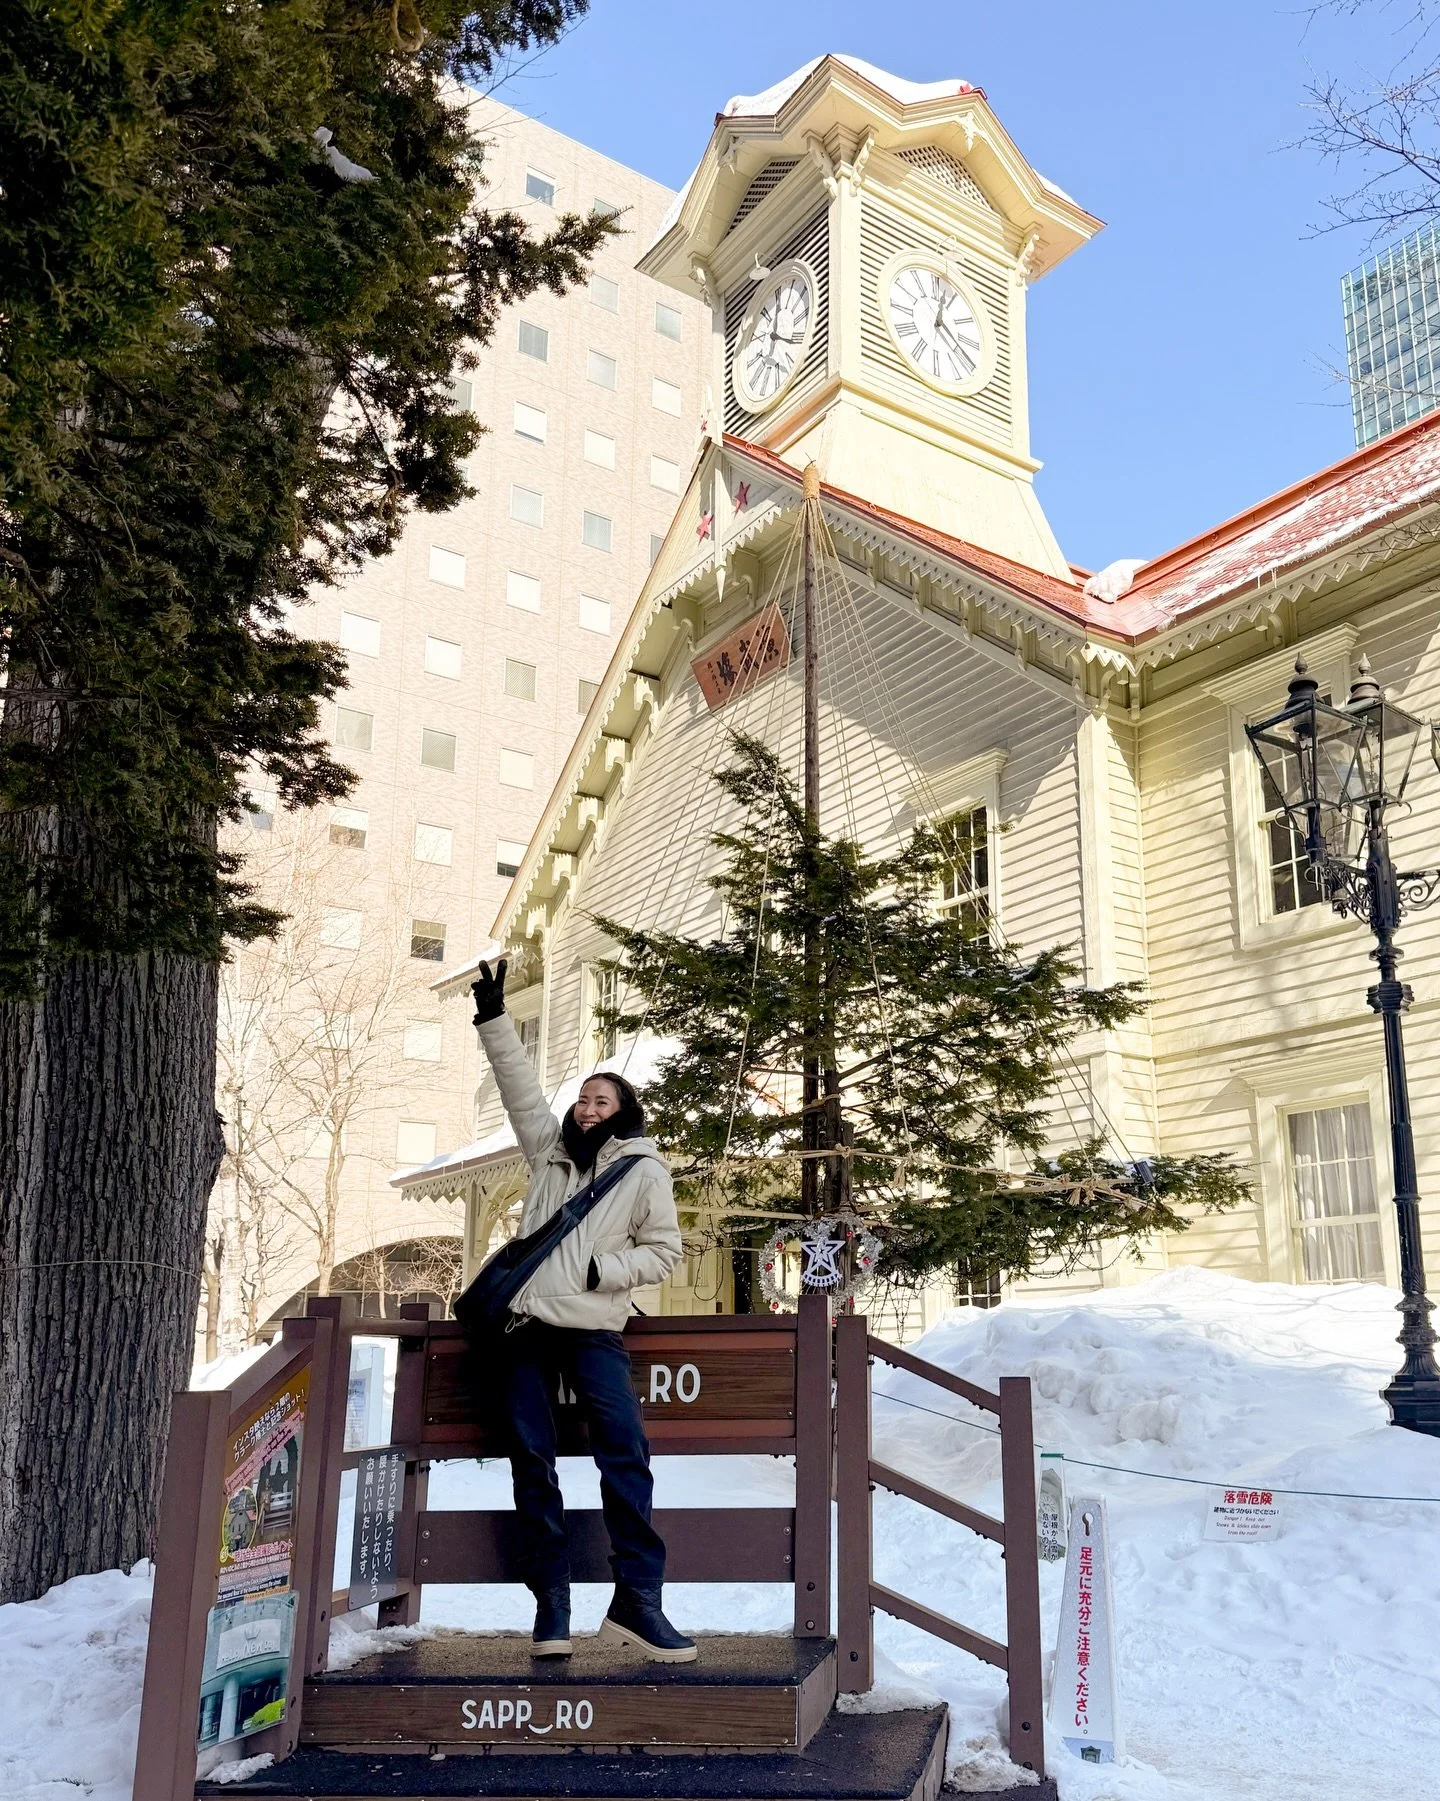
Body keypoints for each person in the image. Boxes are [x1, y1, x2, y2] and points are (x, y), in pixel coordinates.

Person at [468, 958, 696, 1664]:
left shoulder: (644, 1170)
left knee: (625, 1451)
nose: (586, 1108)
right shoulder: (549, 1154)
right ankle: (553, 1600)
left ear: (624, 1112)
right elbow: (518, 1085)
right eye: (583, 1099)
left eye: (601, 1101)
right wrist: (493, 1014)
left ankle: (638, 1599)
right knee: (532, 1460)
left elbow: (664, 1251)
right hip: (523, 1329)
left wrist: (605, 1270)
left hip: (594, 1327)